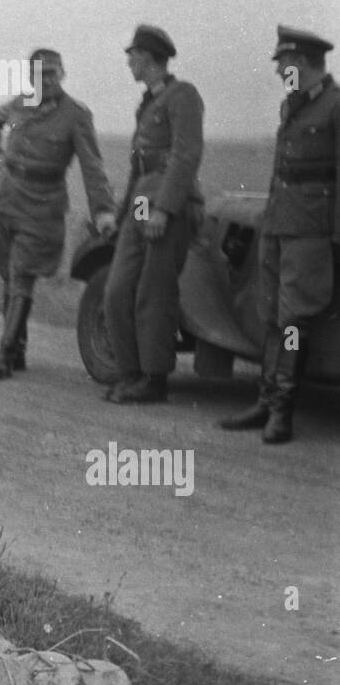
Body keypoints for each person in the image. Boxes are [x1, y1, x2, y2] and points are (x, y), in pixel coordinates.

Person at [220, 27, 339, 444]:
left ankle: (283, 412)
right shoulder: (293, 106)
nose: (278, 72)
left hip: (310, 234)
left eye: (283, 64)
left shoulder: (334, 107)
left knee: (292, 321)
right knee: (270, 314)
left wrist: (336, 240)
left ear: (302, 63)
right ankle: (265, 401)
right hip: (278, 226)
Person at [0, 49, 117, 378]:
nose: (49, 80)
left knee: (23, 272)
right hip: (8, 198)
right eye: (42, 75)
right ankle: (19, 350)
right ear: (31, 78)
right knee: (8, 273)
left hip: (43, 204)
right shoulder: (19, 105)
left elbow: (92, 166)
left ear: (63, 74)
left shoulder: (76, 115)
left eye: (54, 73)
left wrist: (103, 211)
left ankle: (4, 353)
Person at [101, 25, 204, 404]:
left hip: (168, 206)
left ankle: (154, 378)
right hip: (142, 204)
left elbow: (186, 155)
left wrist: (164, 209)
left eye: (132, 54)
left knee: (154, 291)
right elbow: (139, 167)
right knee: (116, 290)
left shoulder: (183, 96)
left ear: (147, 56)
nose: (128, 61)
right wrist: (121, 213)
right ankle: (130, 372)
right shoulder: (147, 104)